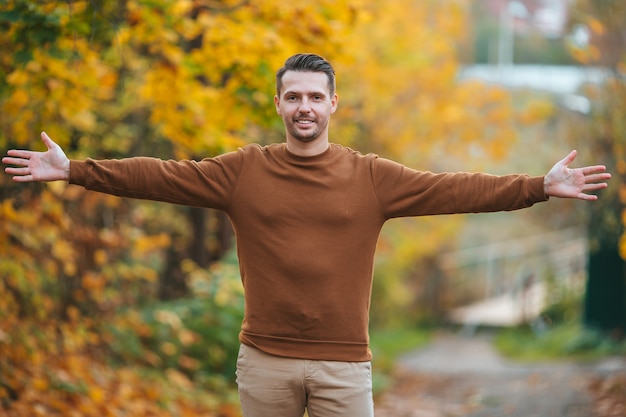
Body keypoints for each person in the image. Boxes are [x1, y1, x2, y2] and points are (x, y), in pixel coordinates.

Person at [2, 53, 611, 417]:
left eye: (315, 97)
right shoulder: (242, 171)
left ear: (333, 104)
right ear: (278, 104)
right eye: (293, 97)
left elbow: (454, 188)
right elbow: (161, 176)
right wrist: (75, 170)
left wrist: (536, 184)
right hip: (263, 362)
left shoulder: (371, 178)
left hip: (345, 367)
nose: (304, 108)